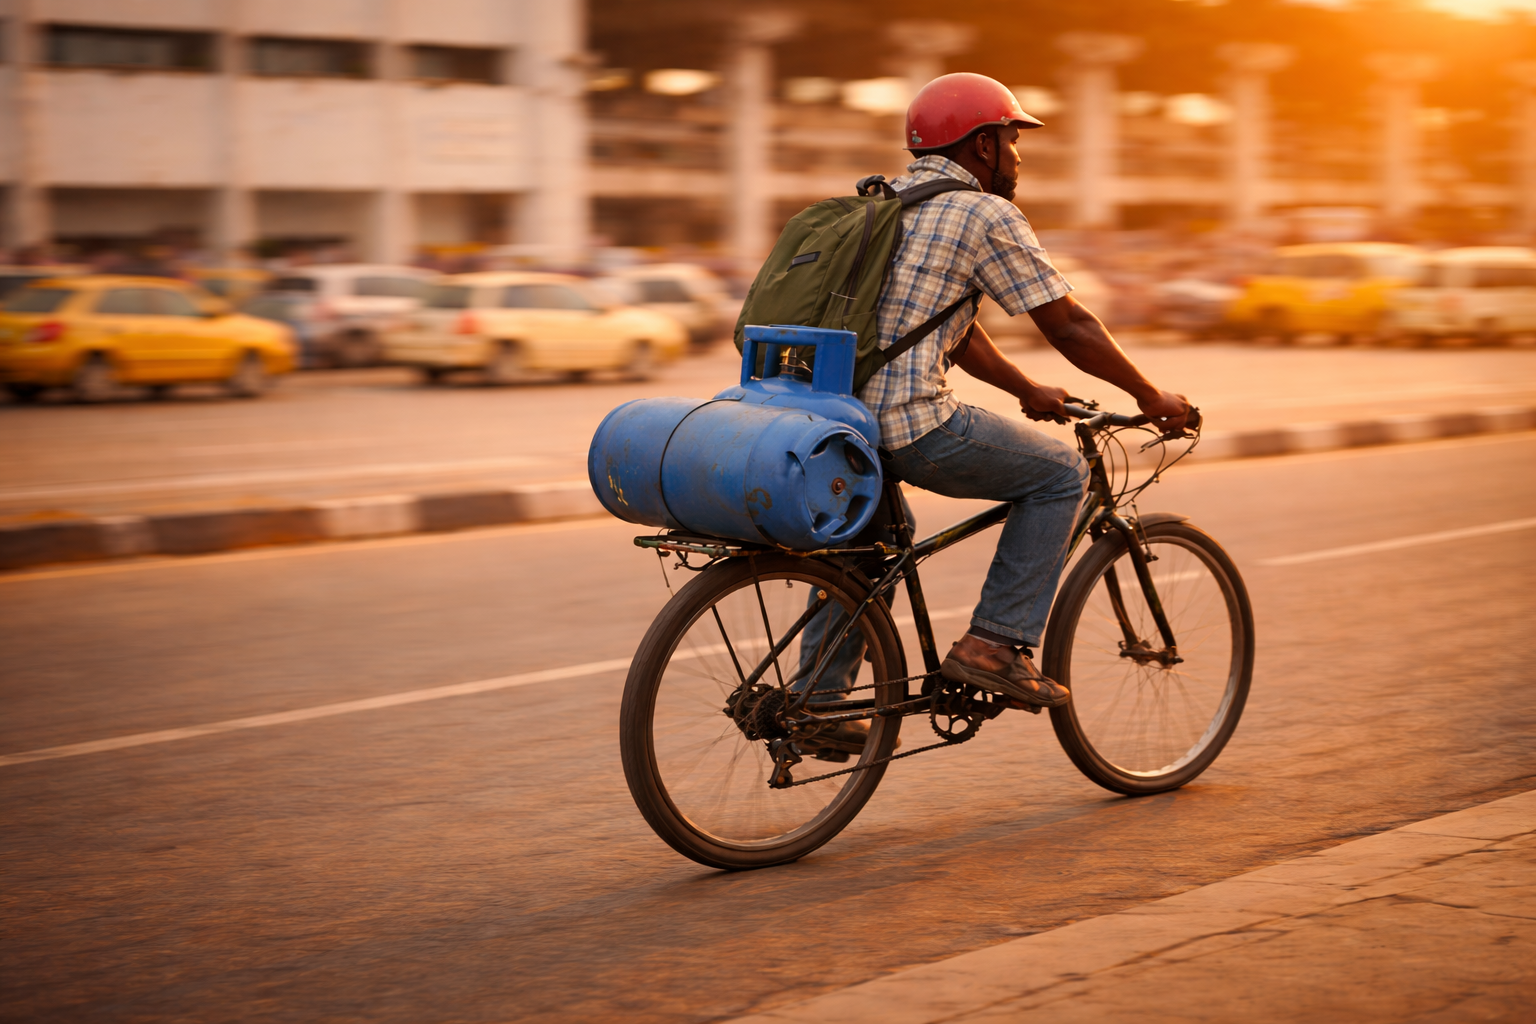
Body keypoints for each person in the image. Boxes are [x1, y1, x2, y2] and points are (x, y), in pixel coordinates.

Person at [795, 73, 1191, 742]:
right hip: (908, 423)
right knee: (1060, 474)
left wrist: (1022, 390)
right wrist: (1150, 396)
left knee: (875, 543)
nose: (1017, 156)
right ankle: (995, 646)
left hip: (832, 425)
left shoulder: (881, 203)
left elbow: (942, 323)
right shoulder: (985, 213)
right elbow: (1069, 326)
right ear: (982, 145)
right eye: (1012, 140)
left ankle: (816, 704)